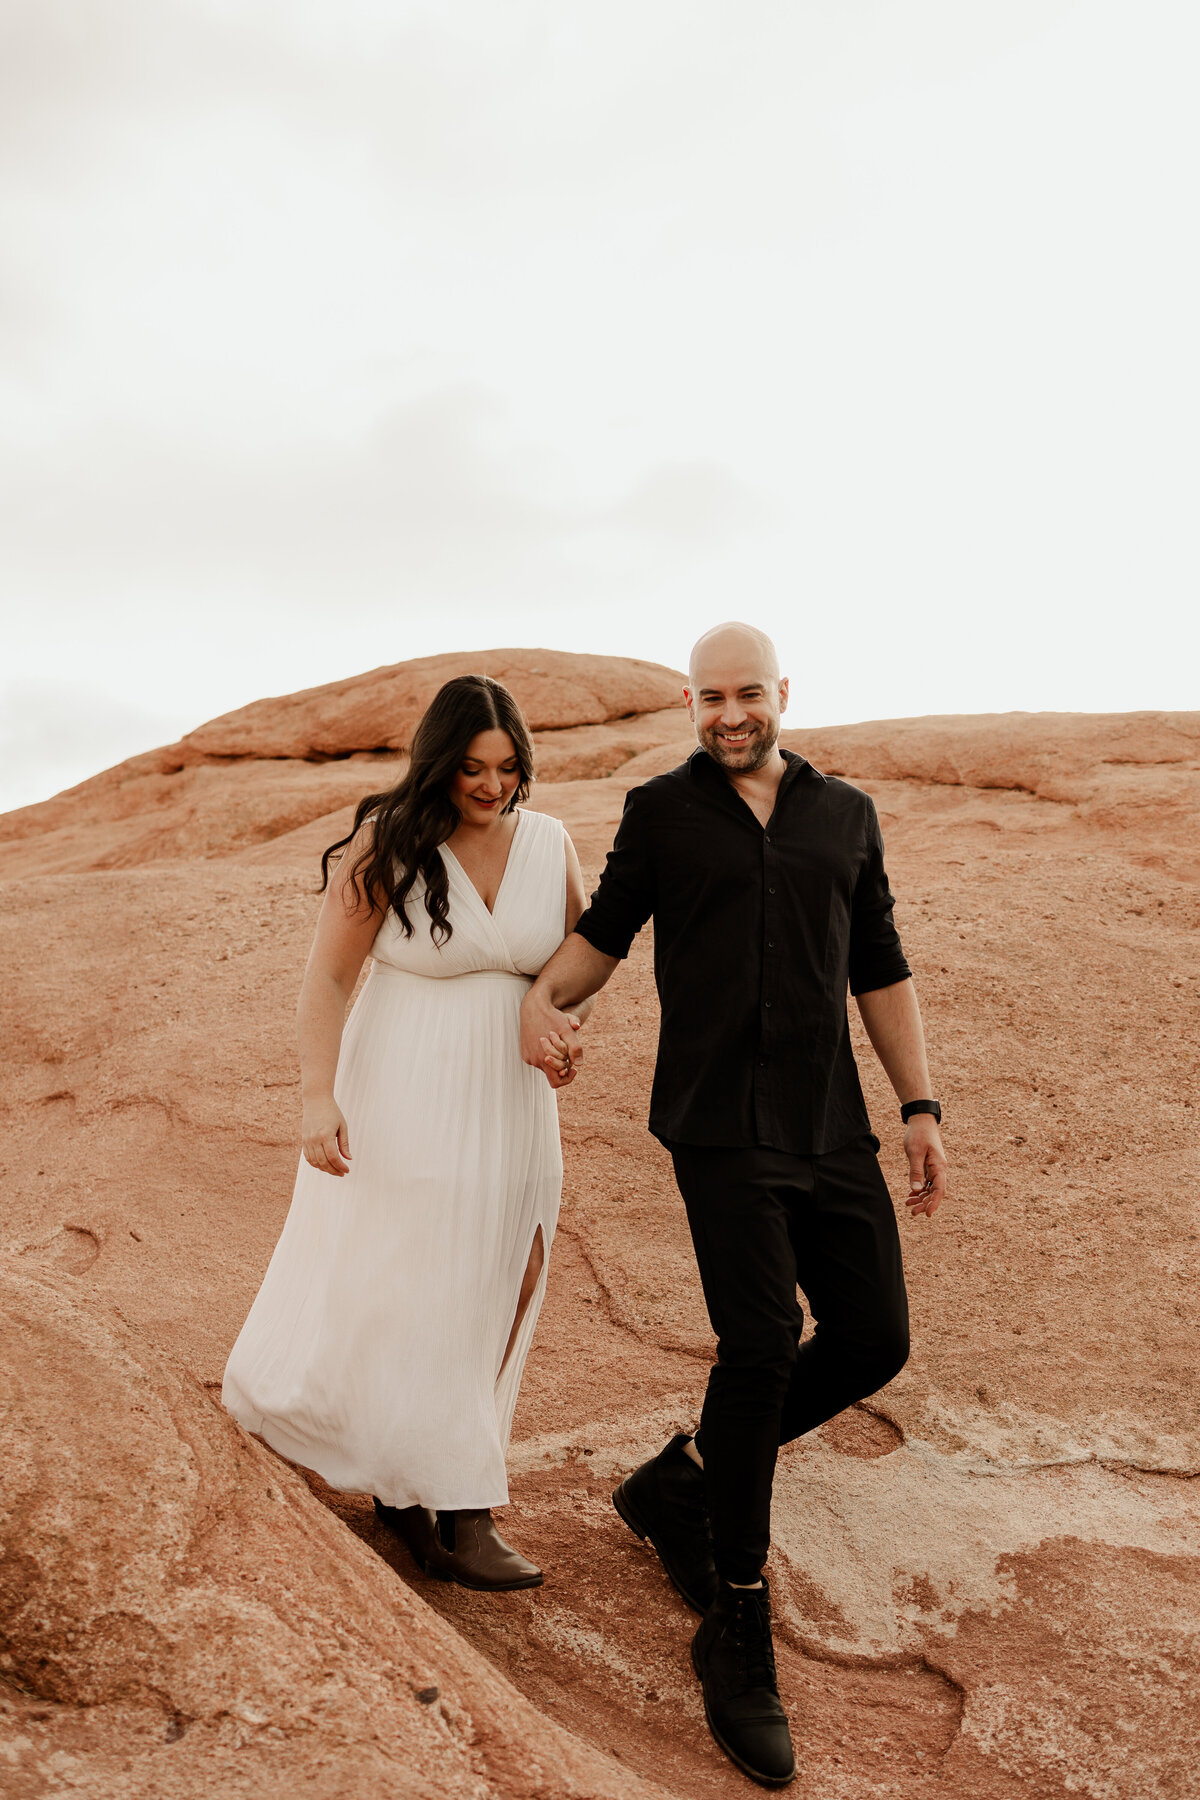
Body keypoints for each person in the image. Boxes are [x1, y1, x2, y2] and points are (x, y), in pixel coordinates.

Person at [522, 623, 947, 1786]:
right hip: (715, 1126)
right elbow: (603, 937)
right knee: (760, 1343)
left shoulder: (843, 815)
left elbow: (879, 962)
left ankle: (683, 1482)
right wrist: (537, 1005)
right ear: (693, 706)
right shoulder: (663, 814)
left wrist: (920, 1105)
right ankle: (738, 1619)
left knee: (873, 1339)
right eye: (708, 696)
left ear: (782, 695)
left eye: (746, 692)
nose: (728, 714)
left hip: (829, 1122)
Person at [224, 674, 591, 1591]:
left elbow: (582, 957)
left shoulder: (550, 844)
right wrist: (317, 1097)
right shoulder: (388, 847)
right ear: (439, 763)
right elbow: (327, 984)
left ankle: (418, 1483)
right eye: (471, 767)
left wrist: (557, 1018)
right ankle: (455, 1508)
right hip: (405, 1082)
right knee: (422, 1271)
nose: (491, 786)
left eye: (507, 767)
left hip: (513, 1094)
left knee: (511, 1268)